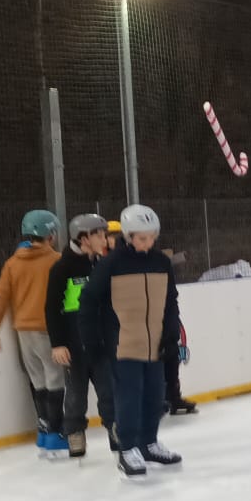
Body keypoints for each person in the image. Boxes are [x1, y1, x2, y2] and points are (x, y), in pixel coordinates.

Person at [80, 204, 184, 478]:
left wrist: (171, 333)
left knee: (155, 396)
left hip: (155, 344)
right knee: (129, 397)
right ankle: (127, 449)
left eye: (152, 237)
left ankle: (149, 443)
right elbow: (88, 301)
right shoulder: (111, 264)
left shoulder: (161, 262)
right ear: (128, 236)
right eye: (142, 238)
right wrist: (92, 341)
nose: (148, 243)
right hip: (123, 344)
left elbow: (171, 300)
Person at [0, 210, 65, 455]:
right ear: (51, 235)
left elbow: (0, 299)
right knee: (55, 380)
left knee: (38, 381)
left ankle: (43, 431)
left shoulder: (13, 264)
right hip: (48, 330)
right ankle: (55, 433)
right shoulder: (57, 261)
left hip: (23, 331)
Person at [45, 213, 117, 456]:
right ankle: (75, 431)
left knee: (109, 390)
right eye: (100, 235)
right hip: (74, 346)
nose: (104, 240)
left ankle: (116, 428)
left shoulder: (100, 264)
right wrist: (58, 344)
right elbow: (52, 308)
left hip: (101, 343)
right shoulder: (61, 268)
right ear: (84, 238)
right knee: (76, 395)